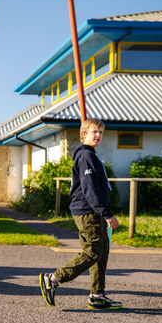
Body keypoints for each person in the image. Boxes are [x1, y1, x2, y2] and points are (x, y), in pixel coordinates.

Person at [39, 118, 122, 310]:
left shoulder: (91, 155)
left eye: (101, 132)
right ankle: (53, 279)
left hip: (95, 211)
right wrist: (107, 214)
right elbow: (90, 190)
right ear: (84, 134)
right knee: (92, 252)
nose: (98, 135)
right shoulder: (86, 155)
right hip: (88, 212)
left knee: (100, 253)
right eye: (94, 132)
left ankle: (97, 295)